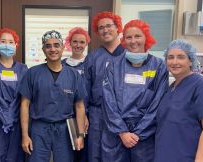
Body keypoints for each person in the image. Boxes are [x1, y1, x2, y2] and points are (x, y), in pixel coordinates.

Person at [101, 20, 169, 162]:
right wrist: (122, 131)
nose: (133, 41)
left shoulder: (158, 66)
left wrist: (138, 133)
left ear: (146, 38)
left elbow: (158, 103)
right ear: (123, 40)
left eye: (138, 36)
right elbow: (108, 101)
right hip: (116, 133)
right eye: (129, 37)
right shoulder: (113, 64)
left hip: (144, 136)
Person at [19, 30, 87, 162]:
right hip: (39, 128)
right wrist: (25, 135)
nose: (53, 49)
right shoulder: (33, 73)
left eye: (56, 45)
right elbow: (24, 104)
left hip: (65, 129)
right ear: (43, 50)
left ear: (62, 48)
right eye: (48, 46)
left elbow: (79, 106)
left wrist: (80, 135)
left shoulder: (73, 75)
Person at [154, 39, 203, 162]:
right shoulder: (170, 89)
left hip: (189, 157)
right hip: (164, 155)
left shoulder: (202, 85)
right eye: (170, 57)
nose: (174, 62)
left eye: (180, 57)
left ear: (191, 60)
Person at [83, 11, 126, 162]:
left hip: (122, 115)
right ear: (97, 31)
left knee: (119, 154)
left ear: (117, 27)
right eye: (101, 28)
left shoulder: (128, 55)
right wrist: (85, 115)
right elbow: (85, 88)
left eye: (109, 26)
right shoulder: (93, 57)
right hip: (97, 114)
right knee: (95, 153)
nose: (105, 30)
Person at [0, 28, 27, 162]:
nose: (7, 44)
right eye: (3, 41)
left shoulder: (23, 69)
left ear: (16, 45)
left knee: (15, 156)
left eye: (11, 41)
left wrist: (10, 117)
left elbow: (22, 95)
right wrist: (7, 117)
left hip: (17, 121)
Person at [62, 27, 91, 162]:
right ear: (69, 43)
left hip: (85, 117)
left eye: (82, 42)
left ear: (86, 44)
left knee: (82, 152)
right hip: (64, 116)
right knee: (65, 152)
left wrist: (86, 114)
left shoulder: (90, 65)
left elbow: (93, 91)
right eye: (75, 42)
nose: (78, 45)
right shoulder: (61, 65)